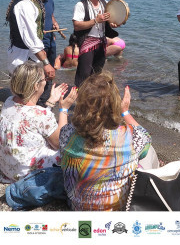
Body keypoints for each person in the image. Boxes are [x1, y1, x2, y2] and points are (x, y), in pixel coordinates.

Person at [59, 72, 153, 211]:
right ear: (115, 102)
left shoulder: (68, 133)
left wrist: (63, 110)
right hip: (117, 210)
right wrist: (125, 112)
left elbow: (60, 138)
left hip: (78, 207)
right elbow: (146, 136)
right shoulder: (130, 135)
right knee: (148, 151)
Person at [0, 62, 77, 185]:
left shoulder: (9, 102)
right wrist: (63, 109)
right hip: (28, 175)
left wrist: (51, 102)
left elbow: (34, 119)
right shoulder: (40, 114)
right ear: (36, 85)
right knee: (73, 146)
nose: (46, 82)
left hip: (9, 170)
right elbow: (59, 143)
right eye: (44, 79)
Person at [6, 0, 56, 80]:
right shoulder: (25, 4)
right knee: (23, 93)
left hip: (30, 56)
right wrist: (46, 63)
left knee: (33, 92)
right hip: (22, 59)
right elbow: (31, 38)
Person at [72, 0, 119, 87]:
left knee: (97, 75)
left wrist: (112, 24)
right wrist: (96, 20)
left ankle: (93, 100)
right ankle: (79, 100)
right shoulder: (81, 5)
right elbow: (77, 26)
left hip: (101, 43)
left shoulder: (105, 3)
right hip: (87, 43)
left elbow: (109, 22)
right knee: (84, 75)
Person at [43, 0, 59, 67]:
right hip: (40, 43)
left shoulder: (50, 1)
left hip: (51, 41)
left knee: (51, 67)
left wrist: (55, 23)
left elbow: (51, 15)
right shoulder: (33, 3)